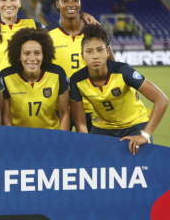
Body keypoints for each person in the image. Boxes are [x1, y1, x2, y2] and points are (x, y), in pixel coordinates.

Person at [69, 25, 168, 155]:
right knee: (94, 165)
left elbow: (162, 100)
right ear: (82, 55)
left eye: (100, 50)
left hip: (135, 124)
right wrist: (88, 142)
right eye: (89, 51)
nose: (95, 56)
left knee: (142, 169)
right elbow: (80, 122)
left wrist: (145, 135)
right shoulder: (77, 80)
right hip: (103, 127)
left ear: (107, 52)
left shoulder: (123, 71)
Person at [46, 0, 116, 131]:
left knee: (93, 151)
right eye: (65, 0)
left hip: (93, 106)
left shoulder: (96, 31)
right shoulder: (46, 35)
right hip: (58, 108)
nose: (71, 4)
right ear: (57, 4)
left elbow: (113, 66)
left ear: (80, 3)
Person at [1, 28, 70, 130]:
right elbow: (5, 117)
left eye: (37, 53)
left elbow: (64, 113)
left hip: (51, 136)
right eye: (26, 53)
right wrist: (13, 139)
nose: (32, 58)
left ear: (43, 55)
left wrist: (61, 140)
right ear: (19, 56)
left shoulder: (57, 73)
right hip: (19, 137)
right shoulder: (6, 76)